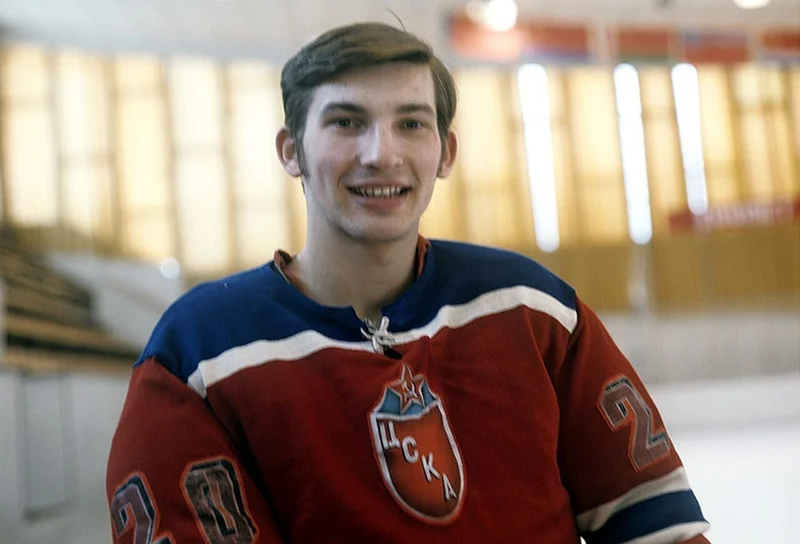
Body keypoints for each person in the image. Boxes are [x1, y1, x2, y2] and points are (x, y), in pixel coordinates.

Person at [106, 21, 711, 543]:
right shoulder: (199, 355)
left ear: (445, 153)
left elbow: (657, 527)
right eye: (347, 121)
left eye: (412, 124)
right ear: (291, 151)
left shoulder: (532, 309)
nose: (381, 153)